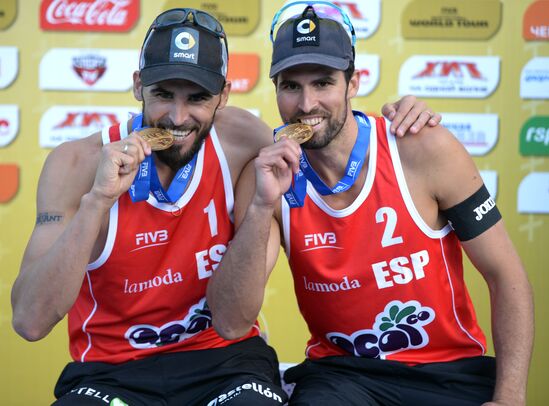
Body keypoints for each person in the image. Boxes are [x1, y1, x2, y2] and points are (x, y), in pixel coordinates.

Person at [11, 7, 439, 406]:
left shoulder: (243, 141)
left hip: (224, 364)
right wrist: (97, 202)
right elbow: (30, 322)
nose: (177, 118)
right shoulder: (76, 164)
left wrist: (401, 118)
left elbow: (326, 133)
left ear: (224, 95)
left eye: (197, 97)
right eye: (163, 94)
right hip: (109, 372)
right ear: (139, 84)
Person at [207, 2, 534, 406]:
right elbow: (229, 321)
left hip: (447, 372)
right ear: (275, 89)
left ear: (354, 82)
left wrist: (510, 398)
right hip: (341, 377)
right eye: (291, 86)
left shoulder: (422, 148)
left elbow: (507, 276)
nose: (306, 104)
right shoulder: (269, 177)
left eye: (323, 83)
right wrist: (259, 207)